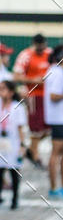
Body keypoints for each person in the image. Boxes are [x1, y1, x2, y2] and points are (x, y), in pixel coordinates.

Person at [12, 33, 51, 167]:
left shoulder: (49, 54)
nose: (41, 49)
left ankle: (31, 150)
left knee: (48, 128)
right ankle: (35, 155)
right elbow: (16, 76)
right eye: (38, 47)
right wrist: (32, 80)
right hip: (34, 95)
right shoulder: (26, 55)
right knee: (36, 127)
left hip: (48, 96)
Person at [44, 44, 63, 199]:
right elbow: (54, 96)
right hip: (59, 119)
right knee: (58, 154)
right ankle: (56, 188)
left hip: (60, 118)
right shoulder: (57, 72)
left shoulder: (56, 71)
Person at [0, 79, 27, 209]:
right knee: (0, 170)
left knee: (13, 170)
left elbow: (20, 128)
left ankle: (15, 198)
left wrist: (22, 145)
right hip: (1, 142)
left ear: (11, 92)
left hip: (13, 141)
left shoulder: (17, 107)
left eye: (3, 89)